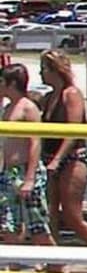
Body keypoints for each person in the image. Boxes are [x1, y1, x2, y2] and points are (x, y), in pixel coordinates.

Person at [38, 50, 87, 258]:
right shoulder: (48, 98)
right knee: (50, 215)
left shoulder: (72, 94)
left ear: (55, 70)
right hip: (49, 159)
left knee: (72, 216)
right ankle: (55, 262)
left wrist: (58, 160)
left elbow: (73, 129)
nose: (41, 74)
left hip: (71, 160)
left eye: (44, 70)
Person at [0, 64, 55, 252]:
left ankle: (57, 267)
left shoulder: (28, 108)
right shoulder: (8, 108)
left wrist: (30, 178)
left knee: (37, 226)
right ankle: (13, 269)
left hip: (26, 171)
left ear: (12, 83)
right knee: (9, 225)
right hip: (9, 172)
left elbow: (35, 143)